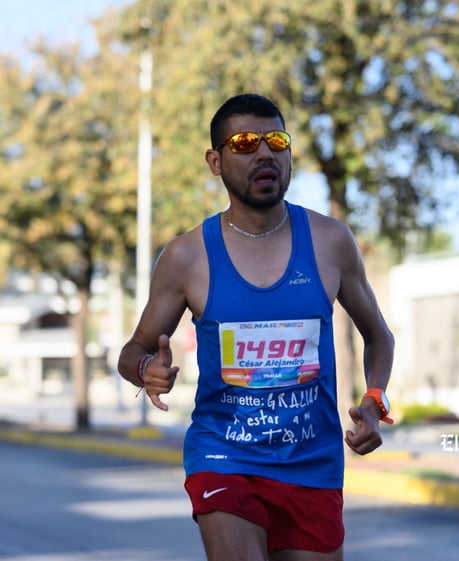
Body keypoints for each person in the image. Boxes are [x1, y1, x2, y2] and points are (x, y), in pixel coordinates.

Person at [118, 93, 395, 561]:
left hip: (313, 463)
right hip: (225, 457)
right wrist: (146, 367)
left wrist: (374, 399)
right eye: (245, 143)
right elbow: (133, 350)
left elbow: (378, 336)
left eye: (277, 141)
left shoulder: (331, 241)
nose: (265, 153)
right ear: (215, 160)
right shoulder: (187, 256)